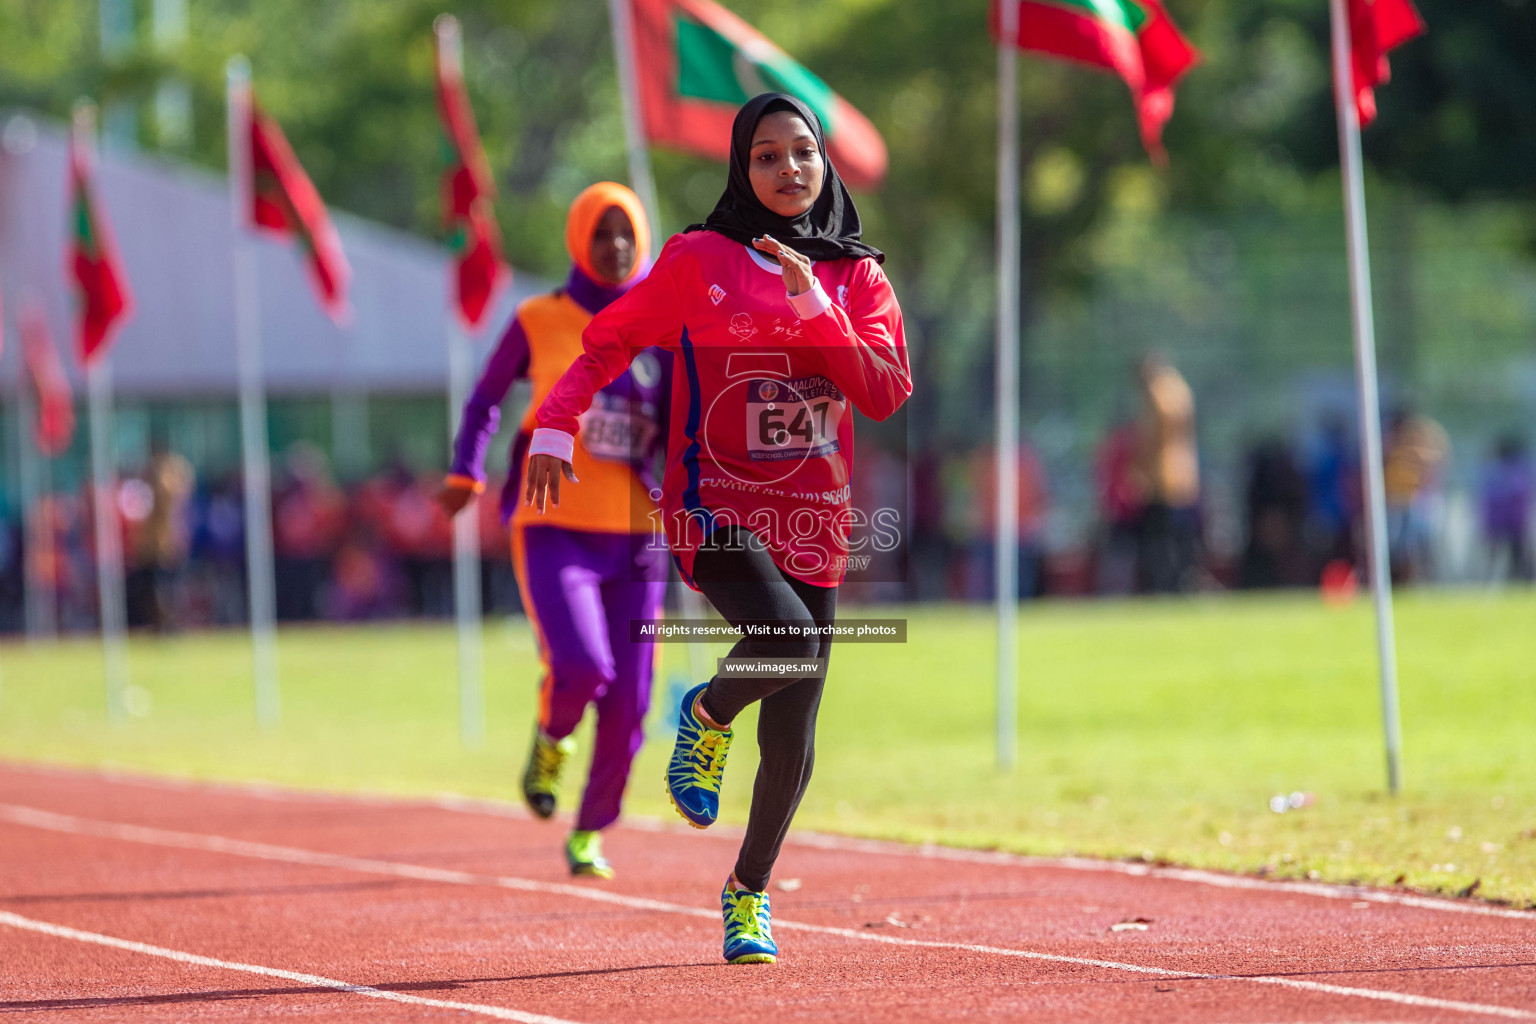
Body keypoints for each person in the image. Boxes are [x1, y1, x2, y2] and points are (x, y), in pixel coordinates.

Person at [524, 94, 910, 965]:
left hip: (815, 519)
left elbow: (884, 392)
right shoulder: (700, 260)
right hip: (715, 505)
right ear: (743, 168)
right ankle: (704, 712)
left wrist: (816, 305)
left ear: (824, 163)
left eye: (802, 153)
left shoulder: (858, 277)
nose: (788, 170)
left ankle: (748, 893)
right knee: (787, 643)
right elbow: (607, 339)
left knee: (795, 730)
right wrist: (555, 422)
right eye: (766, 156)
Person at [440, 182, 672, 881]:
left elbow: (692, 423)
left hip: (637, 538)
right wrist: (465, 470)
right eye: (601, 233)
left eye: (626, 233)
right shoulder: (540, 318)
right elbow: (485, 397)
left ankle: (590, 830)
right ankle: (551, 737)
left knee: (630, 698)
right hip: (553, 528)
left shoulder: (663, 325)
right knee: (583, 668)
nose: (616, 247)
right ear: (578, 239)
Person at [1133, 353, 1202, 592]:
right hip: (1183, 474)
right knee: (1181, 535)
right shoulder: (1179, 391)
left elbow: (1153, 438)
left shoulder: (1158, 396)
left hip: (1163, 478)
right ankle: (1182, 580)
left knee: (1162, 538)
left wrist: (1140, 470)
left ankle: (1168, 584)